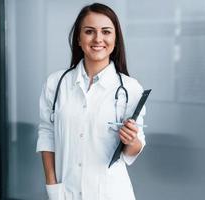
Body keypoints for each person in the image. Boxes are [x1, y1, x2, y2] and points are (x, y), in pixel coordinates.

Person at [36, 3, 146, 200]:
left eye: (106, 32)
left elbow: (134, 150)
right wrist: (52, 185)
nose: (98, 39)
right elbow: (47, 133)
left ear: (115, 39)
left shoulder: (131, 89)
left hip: (111, 192)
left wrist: (131, 140)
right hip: (65, 193)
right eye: (89, 31)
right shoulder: (56, 83)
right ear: (78, 38)